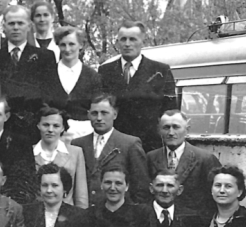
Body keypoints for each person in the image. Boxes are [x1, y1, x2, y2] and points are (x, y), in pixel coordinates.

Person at [97, 21, 177, 152]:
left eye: (133, 39)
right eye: (123, 39)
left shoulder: (161, 71)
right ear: (117, 42)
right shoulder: (105, 71)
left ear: (142, 41)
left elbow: (171, 113)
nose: (127, 44)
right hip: (114, 146)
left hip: (150, 147)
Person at [0, 5, 55, 141]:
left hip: (32, 126)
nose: (16, 28)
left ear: (29, 26)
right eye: (11, 23)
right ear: (4, 26)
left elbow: (48, 93)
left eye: (20, 23)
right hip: (2, 127)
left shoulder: (45, 57)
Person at [72, 93, 150, 207]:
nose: (99, 118)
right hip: (85, 212)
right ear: (88, 115)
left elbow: (141, 186)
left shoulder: (129, 144)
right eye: (94, 113)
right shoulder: (78, 144)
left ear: (115, 114)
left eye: (104, 113)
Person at [146, 110, 221, 214]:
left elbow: (214, 197)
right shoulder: (151, 157)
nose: (171, 133)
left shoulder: (205, 159)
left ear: (187, 129)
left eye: (176, 127)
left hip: (193, 220)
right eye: (166, 127)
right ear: (159, 131)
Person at [45, 26, 101, 140]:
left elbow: (96, 107)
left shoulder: (93, 76)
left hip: (84, 134)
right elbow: (43, 104)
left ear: (80, 45)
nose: (67, 49)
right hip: (53, 135)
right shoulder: (47, 75)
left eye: (71, 44)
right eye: (63, 45)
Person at [33, 106, 88, 208]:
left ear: (62, 128)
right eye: (46, 125)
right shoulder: (29, 153)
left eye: (56, 126)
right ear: (38, 125)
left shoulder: (75, 152)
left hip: (67, 214)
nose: (50, 130)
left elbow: (81, 195)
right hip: (36, 213)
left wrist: (81, 215)